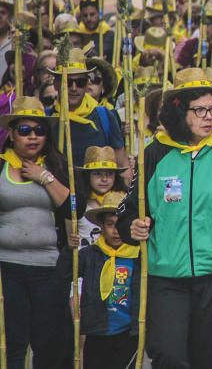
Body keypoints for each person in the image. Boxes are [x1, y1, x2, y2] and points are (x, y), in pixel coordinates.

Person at [116, 67, 212, 368]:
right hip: (166, 279)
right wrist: (131, 227)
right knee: (168, 354)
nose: (208, 117)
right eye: (199, 110)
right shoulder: (155, 154)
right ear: (178, 110)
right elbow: (128, 211)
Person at [0, 96, 71, 368]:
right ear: (11, 134)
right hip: (7, 267)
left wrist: (44, 177)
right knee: (12, 340)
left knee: (48, 340)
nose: (33, 137)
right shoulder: (1, 166)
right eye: (25, 131)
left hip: (47, 268)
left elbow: (72, 207)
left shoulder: (56, 165)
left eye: (39, 130)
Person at [79, 190, 139, 369]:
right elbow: (65, 273)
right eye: (110, 224)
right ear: (101, 227)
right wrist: (70, 249)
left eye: (121, 225)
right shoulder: (90, 255)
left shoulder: (139, 257)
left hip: (128, 332)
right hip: (98, 330)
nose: (116, 231)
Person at [51, 48, 128, 175]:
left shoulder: (105, 116)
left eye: (80, 82)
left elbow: (123, 168)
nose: (74, 88)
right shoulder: (47, 119)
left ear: (87, 84)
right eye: (67, 82)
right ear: (56, 84)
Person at [74, 145, 128, 249]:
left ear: (116, 176)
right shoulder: (78, 202)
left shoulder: (125, 201)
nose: (104, 179)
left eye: (110, 174)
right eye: (97, 174)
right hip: (86, 260)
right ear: (87, 176)